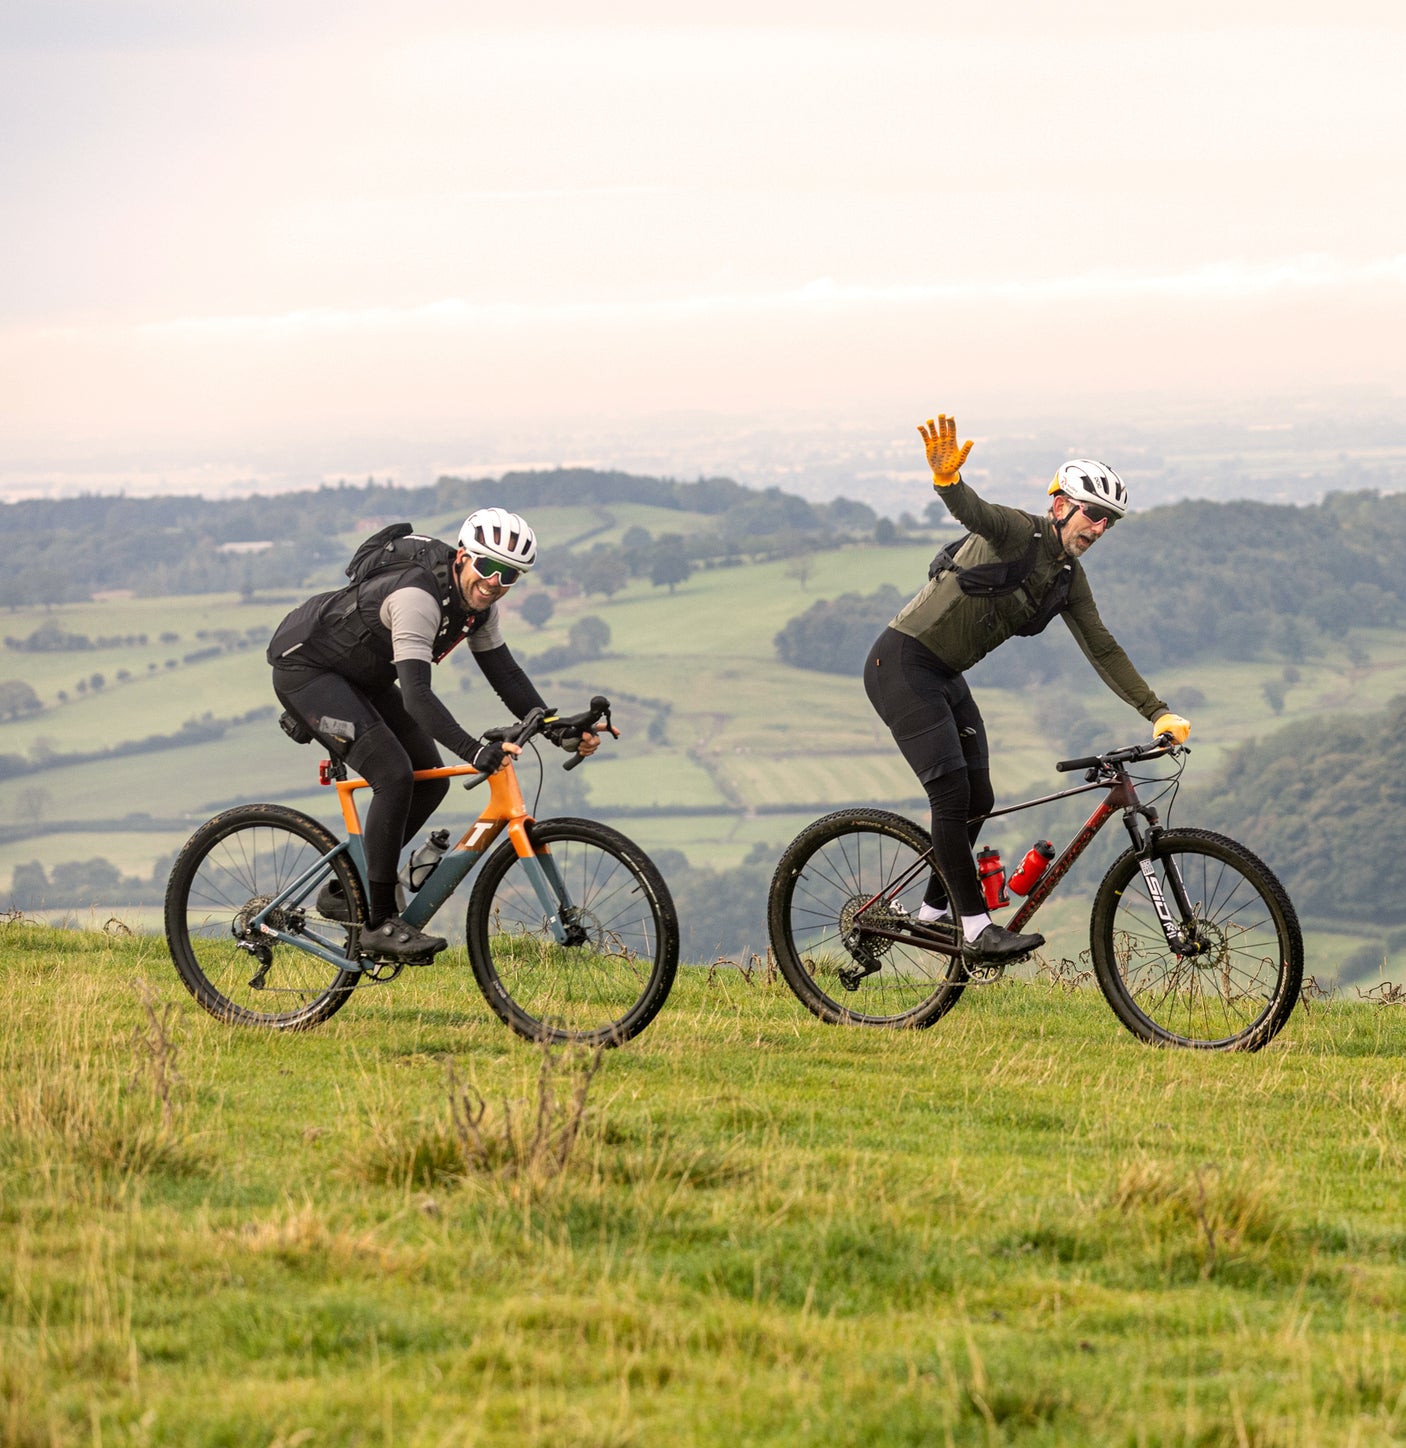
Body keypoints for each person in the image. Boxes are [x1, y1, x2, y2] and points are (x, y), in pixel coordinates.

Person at [864, 413, 1190, 966]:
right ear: (1061, 504)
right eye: (1094, 514)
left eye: (1110, 522)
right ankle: (974, 930)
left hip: (944, 675)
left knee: (980, 799)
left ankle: (930, 918)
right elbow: (973, 511)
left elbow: (1103, 649)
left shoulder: (1068, 578)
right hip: (902, 662)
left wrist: (1156, 712)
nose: (1100, 529)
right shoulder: (1019, 531)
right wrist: (948, 481)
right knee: (950, 797)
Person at [267, 506, 598, 961]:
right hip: (308, 672)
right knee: (394, 773)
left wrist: (553, 727)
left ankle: (344, 890)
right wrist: (473, 750)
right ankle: (378, 922)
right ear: (464, 556)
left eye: (510, 576)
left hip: (361, 677)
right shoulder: (417, 598)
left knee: (431, 779)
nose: (495, 583)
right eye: (489, 567)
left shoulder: (480, 609)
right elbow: (417, 696)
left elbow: (506, 675)